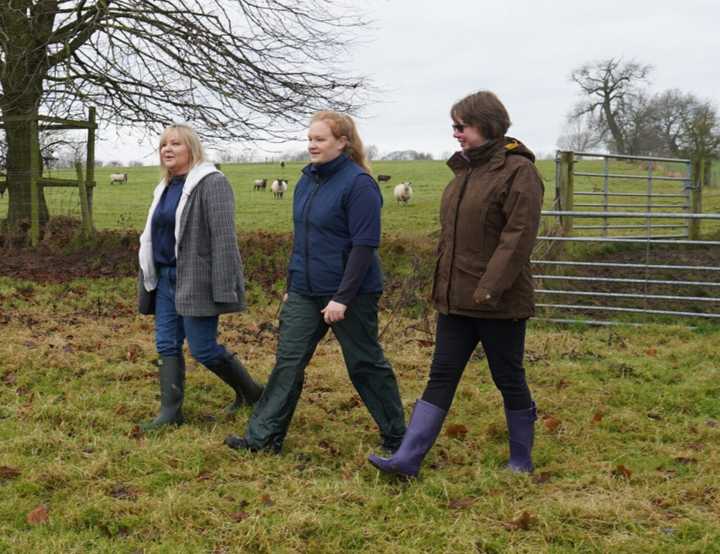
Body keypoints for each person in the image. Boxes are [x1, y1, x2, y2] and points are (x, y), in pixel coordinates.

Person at [368, 90, 544, 477]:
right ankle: (407, 460)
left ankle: (520, 460)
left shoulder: (519, 172)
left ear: (486, 124)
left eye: (461, 126)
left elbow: (517, 239)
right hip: (455, 300)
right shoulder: (465, 171)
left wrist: (488, 289)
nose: (455, 134)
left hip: (498, 303)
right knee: (441, 376)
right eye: (454, 127)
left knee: (508, 377)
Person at [224, 111, 406, 453]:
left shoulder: (359, 184)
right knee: (288, 363)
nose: (312, 145)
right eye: (309, 139)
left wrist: (342, 298)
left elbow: (364, 246)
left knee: (364, 363)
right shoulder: (306, 180)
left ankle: (398, 436)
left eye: (320, 139)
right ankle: (263, 439)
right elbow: (303, 240)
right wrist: (293, 284)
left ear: (343, 142)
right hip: (305, 291)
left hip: (351, 293)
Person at [138, 124, 263, 430]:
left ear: (191, 149)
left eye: (176, 144)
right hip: (165, 277)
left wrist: (223, 287)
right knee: (166, 344)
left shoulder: (212, 183)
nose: (167, 149)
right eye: (164, 144)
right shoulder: (165, 187)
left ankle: (253, 393)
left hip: (197, 279)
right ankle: (170, 412)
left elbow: (223, 238)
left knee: (203, 348)